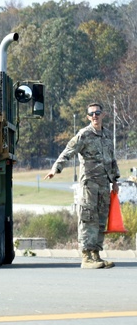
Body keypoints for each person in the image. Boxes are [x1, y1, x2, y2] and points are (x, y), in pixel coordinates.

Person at [44, 103, 120, 269]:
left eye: (97, 113)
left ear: (103, 114)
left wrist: (115, 181)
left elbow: (112, 160)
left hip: (104, 186)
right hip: (89, 186)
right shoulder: (84, 135)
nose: (95, 116)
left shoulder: (107, 135)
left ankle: (96, 255)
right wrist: (55, 168)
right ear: (87, 117)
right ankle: (86, 257)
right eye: (91, 114)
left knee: (100, 220)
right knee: (87, 218)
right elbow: (68, 151)